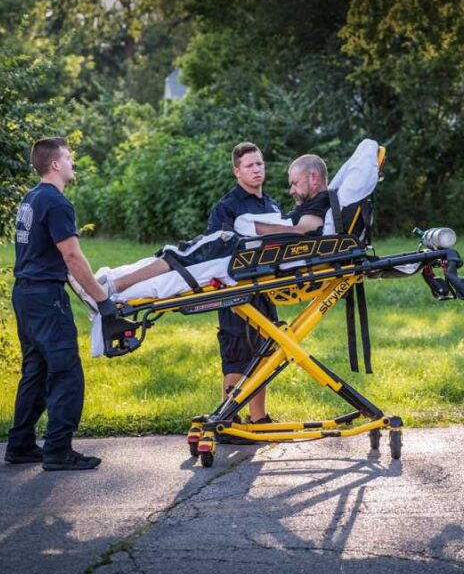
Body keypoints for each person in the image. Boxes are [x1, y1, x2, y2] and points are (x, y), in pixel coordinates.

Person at [90, 150, 332, 422]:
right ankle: (114, 285)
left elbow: (302, 231)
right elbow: (211, 251)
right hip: (233, 282)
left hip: (261, 282)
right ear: (236, 171)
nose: (258, 170)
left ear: (313, 178)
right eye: (249, 165)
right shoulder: (227, 206)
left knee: (262, 351)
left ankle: (257, 418)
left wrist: (255, 228)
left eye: (259, 164)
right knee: (234, 348)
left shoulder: (279, 206)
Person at [6, 137, 119, 471]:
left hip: (26, 294)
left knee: (36, 370)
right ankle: (58, 450)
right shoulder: (56, 202)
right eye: (69, 158)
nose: (72, 162)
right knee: (66, 372)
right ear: (55, 164)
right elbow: (71, 255)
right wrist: (103, 300)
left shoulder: (31, 198)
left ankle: (21, 444)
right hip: (45, 298)